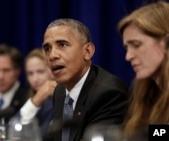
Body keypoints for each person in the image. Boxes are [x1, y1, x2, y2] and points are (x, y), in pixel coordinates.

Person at [42, 18, 128, 141]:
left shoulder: (109, 93)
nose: (52, 55)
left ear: (87, 51)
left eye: (62, 45)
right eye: (47, 49)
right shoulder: (60, 91)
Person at [118, 1, 169, 139]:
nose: (128, 56)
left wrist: (144, 135)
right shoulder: (142, 94)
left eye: (136, 45)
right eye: (127, 48)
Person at [20, 48, 57, 136]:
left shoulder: (56, 101)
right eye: (30, 73)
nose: (35, 79)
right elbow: (13, 128)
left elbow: (40, 136)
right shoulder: (25, 97)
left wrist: (36, 101)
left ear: (52, 71)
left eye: (40, 72)